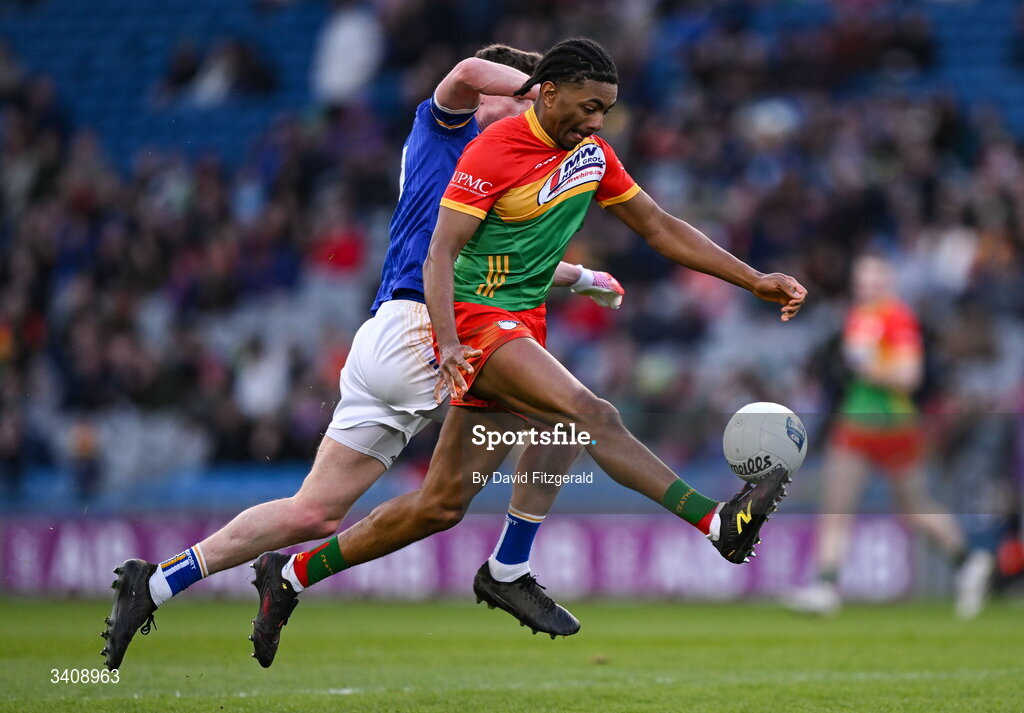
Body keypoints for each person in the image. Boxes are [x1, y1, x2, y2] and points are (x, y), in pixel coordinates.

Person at [251, 38, 808, 667]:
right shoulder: (494, 150)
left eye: (607, 110)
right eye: (589, 106)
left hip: (520, 327)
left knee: (440, 506)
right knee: (589, 414)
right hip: (477, 324)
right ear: (548, 92)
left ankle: (292, 573)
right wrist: (450, 340)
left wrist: (753, 278)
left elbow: (659, 228)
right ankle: (716, 526)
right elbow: (440, 253)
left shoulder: (592, 157)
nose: (598, 122)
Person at [102, 44, 627, 671]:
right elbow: (464, 74)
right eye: (515, 98)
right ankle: (510, 566)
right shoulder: (446, 128)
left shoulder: (510, 168)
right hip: (422, 332)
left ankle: (158, 582)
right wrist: (542, 87)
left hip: (385, 339)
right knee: (563, 416)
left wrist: (581, 277)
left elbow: (500, 269)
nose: (524, 113)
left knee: (314, 510)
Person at [786, 252, 991, 617]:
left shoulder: (897, 318)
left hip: (891, 423)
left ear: (888, 283)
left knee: (911, 509)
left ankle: (968, 560)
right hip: (859, 421)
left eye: (874, 280)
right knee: (840, 507)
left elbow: (909, 376)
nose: (867, 287)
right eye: (862, 280)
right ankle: (827, 585)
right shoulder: (859, 316)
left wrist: (868, 368)